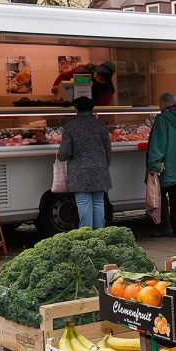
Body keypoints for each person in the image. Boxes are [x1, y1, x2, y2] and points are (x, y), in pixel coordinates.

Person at [58, 96, 112, 229]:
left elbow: (64, 152)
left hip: (79, 170)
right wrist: (104, 165)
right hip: (99, 168)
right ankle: (100, 233)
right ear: (92, 109)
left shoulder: (70, 126)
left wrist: (60, 157)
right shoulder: (100, 125)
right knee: (99, 203)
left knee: (83, 203)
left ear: (76, 109)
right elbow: (108, 150)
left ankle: (87, 234)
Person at [147, 92, 176, 237]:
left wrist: (154, 163)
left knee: (161, 195)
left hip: (165, 165)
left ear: (163, 104)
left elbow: (158, 144)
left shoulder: (162, 120)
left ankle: (165, 227)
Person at [51, 61, 116, 106]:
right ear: (96, 70)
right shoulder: (83, 69)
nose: (97, 79)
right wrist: (57, 87)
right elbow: (64, 76)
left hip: (89, 110)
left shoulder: (107, 89)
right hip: (70, 104)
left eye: (101, 79)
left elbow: (101, 107)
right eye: (97, 76)